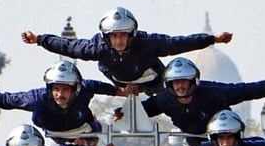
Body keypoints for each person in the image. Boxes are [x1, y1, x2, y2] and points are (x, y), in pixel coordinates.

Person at [21, 7, 233, 92]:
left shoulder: (147, 43)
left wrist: (212, 39)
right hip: (121, 82)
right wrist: (39, 39)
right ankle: (120, 106)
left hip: (151, 80)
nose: (120, 40)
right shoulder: (97, 47)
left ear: (131, 35)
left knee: (171, 95)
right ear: (107, 37)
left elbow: (177, 43)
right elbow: (68, 46)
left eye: (123, 35)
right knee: (118, 88)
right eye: (115, 36)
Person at [0, 61, 132, 145]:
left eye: (66, 90)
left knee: (97, 132)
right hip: (54, 133)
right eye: (56, 89)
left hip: (84, 127)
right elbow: (2, 99)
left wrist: (122, 91)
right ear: (50, 89)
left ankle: (91, 134)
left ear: (75, 89)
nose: (60, 94)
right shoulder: (35, 99)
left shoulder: (86, 88)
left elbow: (104, 87)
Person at [141, 57, 265, 146]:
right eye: (176, 83)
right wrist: (121, 112)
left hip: (224, 136)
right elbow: (142, 110)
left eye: (184, 81)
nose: (180, 86)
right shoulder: (163, 99)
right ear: (170, 84)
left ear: (193, 82)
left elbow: (245, 90)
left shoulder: (213, 92)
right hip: (196, 139)